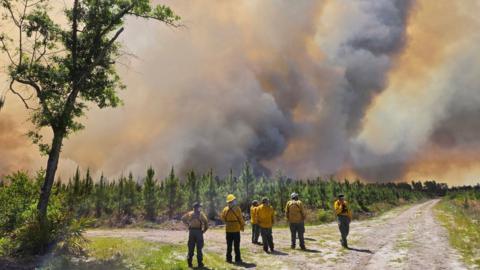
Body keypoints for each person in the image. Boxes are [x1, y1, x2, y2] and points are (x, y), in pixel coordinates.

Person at [181, 202, 209, 268]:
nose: (200, 208)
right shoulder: (201, 214)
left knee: (191, 248)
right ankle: (200, 263)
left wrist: (188, 225)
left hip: (191, 232)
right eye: (199, 207)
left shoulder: (190, 213)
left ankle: (189, 263)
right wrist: (203, 231)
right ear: (197, 208)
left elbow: (183, 219)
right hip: (199, 232)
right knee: (199, 248)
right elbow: (206, 223)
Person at [221, 194, 245, 264]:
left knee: (229, 245)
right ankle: (237, 259)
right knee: (236, 245)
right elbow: (240, 218)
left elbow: (222, 218)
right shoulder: (237, 209)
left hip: (228, 229)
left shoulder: (225, 209)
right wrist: (242, 226)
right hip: (236, 229)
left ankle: (228, 259)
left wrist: (227, 222)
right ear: (233, 201)